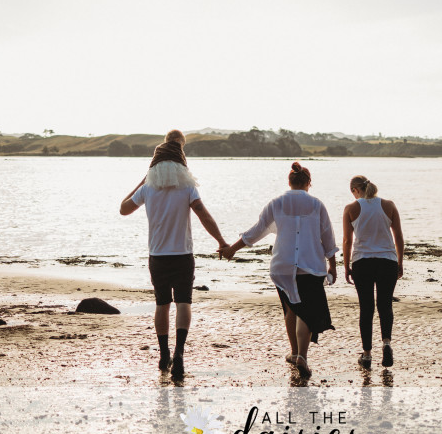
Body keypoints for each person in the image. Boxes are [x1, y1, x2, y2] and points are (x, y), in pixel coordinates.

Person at [120, 129, 228, 378]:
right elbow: (204, 216)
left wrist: (143, 181)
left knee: (162, 305)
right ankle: (179, 354)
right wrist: (222, 241)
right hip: (183, 255)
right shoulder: (187, 188)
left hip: (158, 256)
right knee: (183, 303)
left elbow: (124, 209)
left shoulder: (147, 189)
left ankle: (163, 355)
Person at [221, 162, 338, 378]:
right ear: (308, 183)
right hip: (310, 266)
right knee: (306, 311)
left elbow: (256, 231)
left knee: (290, 309)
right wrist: (333, 264)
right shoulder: (317, 205)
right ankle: (302, 356)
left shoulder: (276, 203)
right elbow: (328, 237)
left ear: (289, 182)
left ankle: (294, 352)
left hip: (282, 267)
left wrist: (232, 250)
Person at [343, 175, 404, 368]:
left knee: (366, 308)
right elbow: (398, 236)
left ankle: (367, 355)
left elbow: (347, 241)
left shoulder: (351, 209)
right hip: (387, 261)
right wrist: (400, 262)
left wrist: (346, 265)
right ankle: (386, 344)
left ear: (355, 190)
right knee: (385, 305)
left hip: (362, 262)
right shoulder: (389, 205)